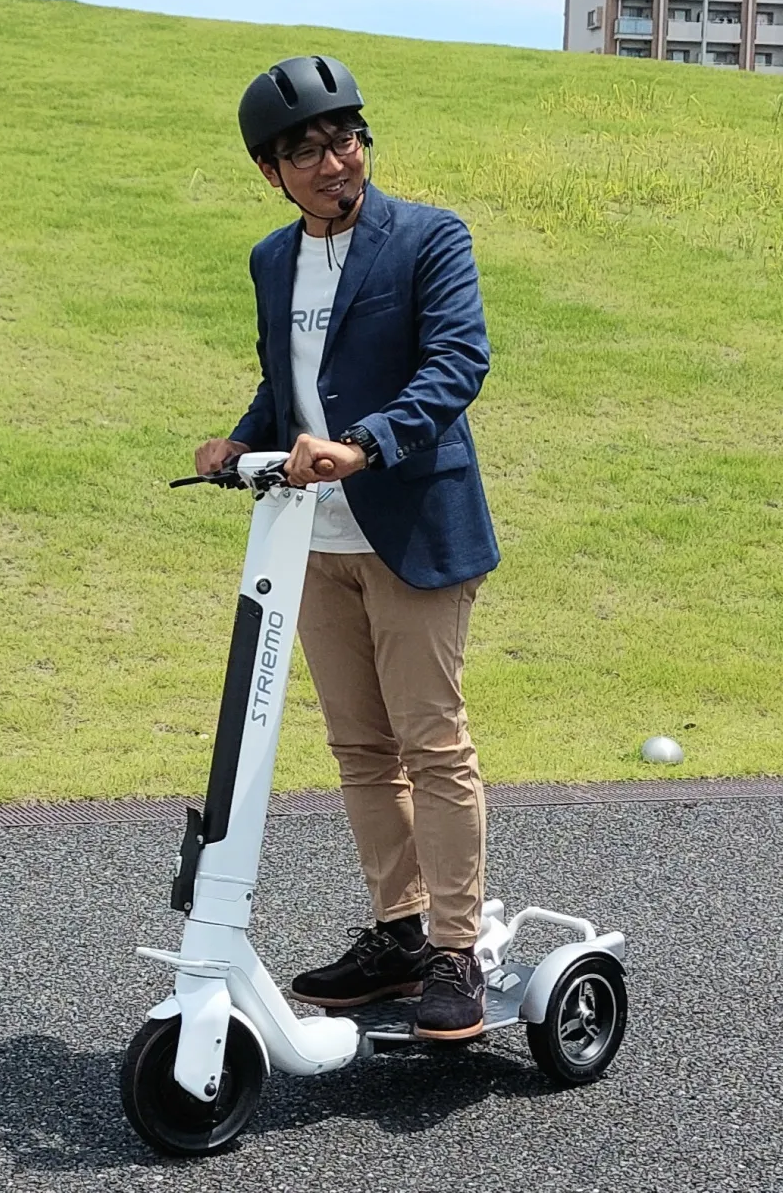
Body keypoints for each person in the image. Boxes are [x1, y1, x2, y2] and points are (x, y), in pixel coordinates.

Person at [192, 55, 500, 1040]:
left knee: (432, 742)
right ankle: (397, 934)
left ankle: (455, 950)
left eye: (345, 137)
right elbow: (288, 383)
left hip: (410, 523)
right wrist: (241, 439)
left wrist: (367, 443)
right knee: (361, 749)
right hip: (310, 541)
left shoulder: (425, 238)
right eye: (306, 150)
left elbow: (456, 363)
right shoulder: (271, 261)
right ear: (269, 172)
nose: (334, 160)